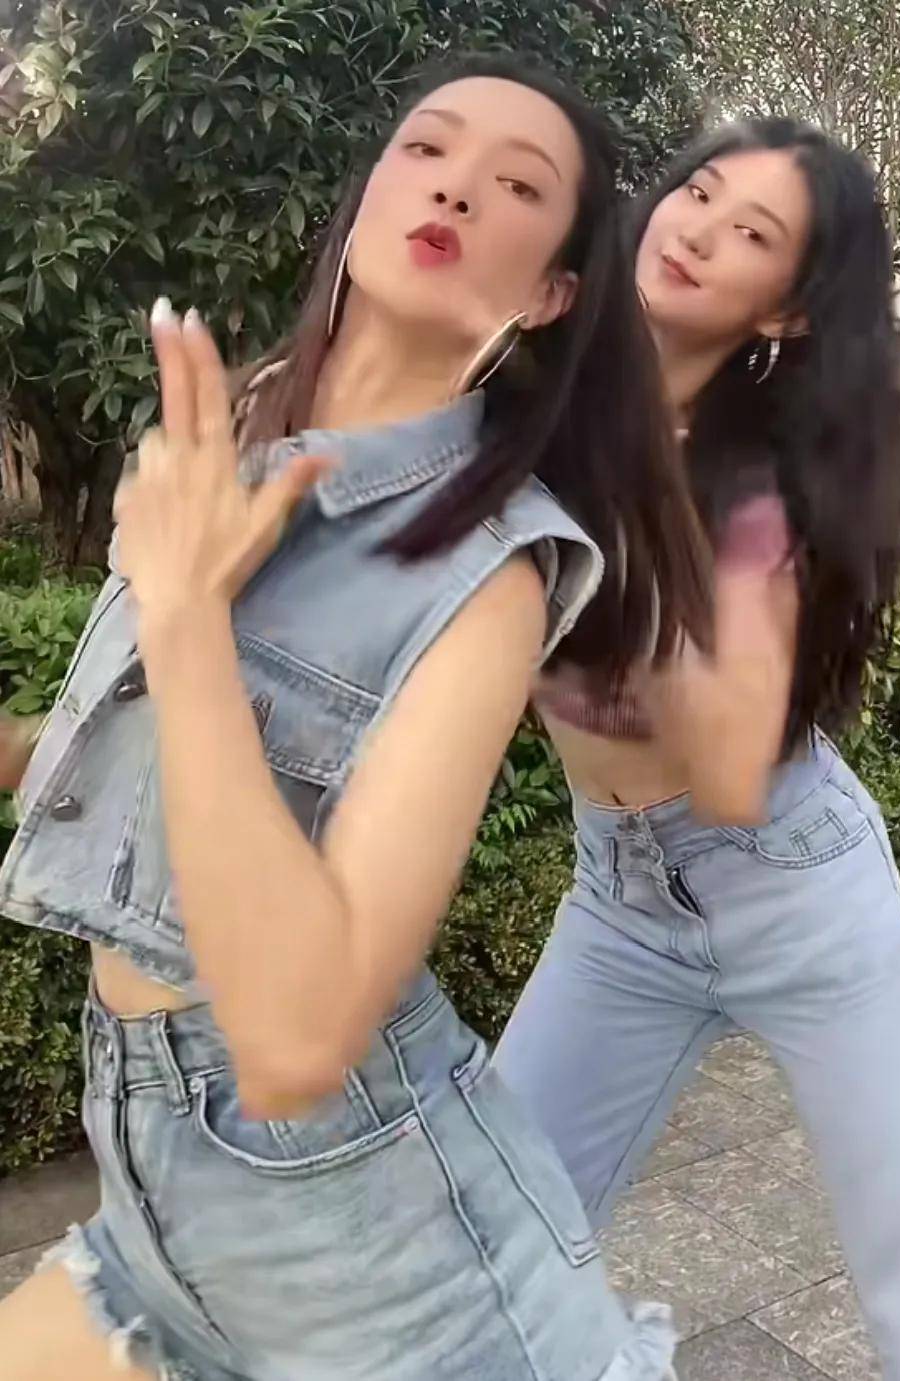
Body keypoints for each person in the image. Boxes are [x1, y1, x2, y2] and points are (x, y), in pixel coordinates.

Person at [0, 57, 711, 1381]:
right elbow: (170, 755)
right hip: (158, 1208)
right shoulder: (241, 424)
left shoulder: (489, 573)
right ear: (371, 187)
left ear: (550, 293)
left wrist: (186, 611)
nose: (458, 185)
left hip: (397, 1281)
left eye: (518, 186)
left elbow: (297, 1040)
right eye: (427, 148)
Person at [494, 118, 900, 1380]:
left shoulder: (759, 491)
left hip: (804, 900)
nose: (696, 229)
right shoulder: (528, 402)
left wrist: (636, 486)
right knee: (485, 1240)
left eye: (750, 232)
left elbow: (735, 775)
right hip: (618, 903)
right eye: (697, 193)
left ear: (787, 312)